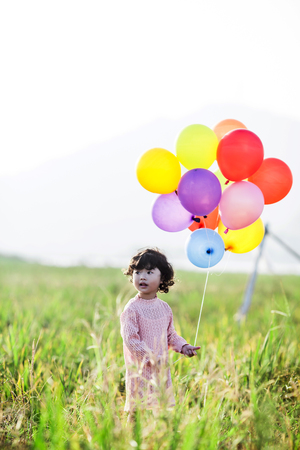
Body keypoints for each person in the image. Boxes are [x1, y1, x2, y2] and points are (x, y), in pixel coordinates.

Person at [120, 248, 200, 416]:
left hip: (160, 370)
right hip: (140, 370)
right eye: (137, 272)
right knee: (137, 411)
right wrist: (150, 358)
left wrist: (183, 346)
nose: (142, 276)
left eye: (149, 272)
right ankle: (130, 439)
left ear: (162, 277)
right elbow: (131, 340)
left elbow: (170, 335)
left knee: (162, 411)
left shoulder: (164, 308)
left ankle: (160, 439)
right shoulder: (132, 309)